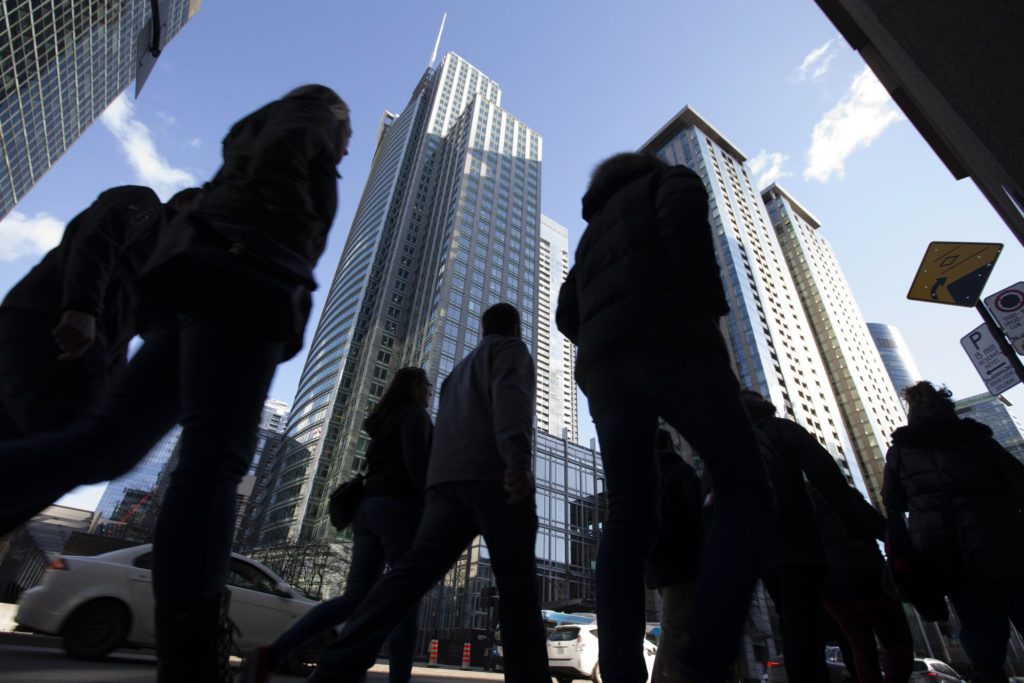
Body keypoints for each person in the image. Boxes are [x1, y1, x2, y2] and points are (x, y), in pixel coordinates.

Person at [0, 84, 351, 682]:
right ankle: (191, 658)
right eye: (346, 137)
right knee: (214, 464)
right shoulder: (314, 114)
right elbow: (288, 149)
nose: (344, 150)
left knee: (106, 446)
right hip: (248, 285)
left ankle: (190, 652)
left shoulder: (230, 176)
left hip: (200, 286)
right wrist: (278, 252)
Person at [556, 151, 775, 683]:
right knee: (745, 488)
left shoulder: (590, 237)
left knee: (628, 514)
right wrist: (708, 312)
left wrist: (603, 335)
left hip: (604, 367)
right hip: (674, 338)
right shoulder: (670, 180)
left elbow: (565, 312)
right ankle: (701, 665)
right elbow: (687, 232)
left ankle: (623, 674)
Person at [306, 303, 550, 683]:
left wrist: (434, 487)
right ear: (516, 327)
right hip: (494, 478)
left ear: (482, 329)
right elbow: (511, 399)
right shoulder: (511, 349)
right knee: (518, 589)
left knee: (408, 578)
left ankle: (336, 667)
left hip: (443, 488)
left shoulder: (454, 374)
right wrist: (517, 460)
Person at [240, 367, 433, 683]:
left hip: (366, 510)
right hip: (397, 507)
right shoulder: (415, 416)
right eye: (427, 386)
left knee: (353, 598)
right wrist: (431, 502)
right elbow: (417, 465)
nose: (430, 393)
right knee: (406, 598)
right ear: (414, 386)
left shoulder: (384, 421)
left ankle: (272, 654)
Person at [0, 185, 199, 441]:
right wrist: (82, 307)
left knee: (28, 446)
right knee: (75, 443)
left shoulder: (161, 262)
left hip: (72, 339)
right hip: (53, 327)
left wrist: (112, 376)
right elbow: (99, 238)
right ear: (183, 202)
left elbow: (128, 325)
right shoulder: (147, 205)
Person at [882, 381, 1024, 683]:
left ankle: (988, 674)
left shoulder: (901, 452)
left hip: (948, 554)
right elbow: (1018, 480)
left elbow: (893, 500)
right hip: (1004, 541)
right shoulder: (977, 441)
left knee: (980, 627)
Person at [740, 389, 881, 683]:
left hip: (759, 550)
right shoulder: (782, 429)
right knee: (805, 623)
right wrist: (854, 523)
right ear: (764, 406)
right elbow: (828, 475)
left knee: (790, 619)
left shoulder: (729, 441)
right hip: (799, 544)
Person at [809, 486, 913, 683]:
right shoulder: (843, 495)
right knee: (897, 641)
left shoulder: (804, 504)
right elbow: (882, 529)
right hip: (864, 574)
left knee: (860, 645)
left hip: (828, 584)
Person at [646, 428, 704, 681]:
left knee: (677, 625)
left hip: (658, 564)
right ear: (670, 445)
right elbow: (700, 511)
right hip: (684, 561)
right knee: (677, 627)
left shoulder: (641, 474)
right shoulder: (678, 470)